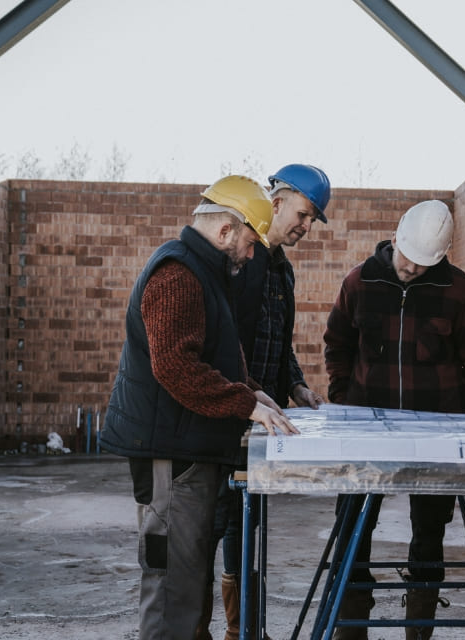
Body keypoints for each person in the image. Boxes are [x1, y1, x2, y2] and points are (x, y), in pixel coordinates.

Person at [100, 175, 298, 640]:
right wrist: (245, 403)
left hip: (187, 449)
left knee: (189, 582)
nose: (253, 256)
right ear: (226, 231)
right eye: (251, 243)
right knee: (173, 588)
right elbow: (176, 366)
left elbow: (212, 353)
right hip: (172, 457)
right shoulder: (178, 274)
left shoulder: (203, 271)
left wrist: (254, 389)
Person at [323, 199, 465, 639]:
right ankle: (351, 626)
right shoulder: (359, 282)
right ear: (396, 238)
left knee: (429, 532)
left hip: (437, 431)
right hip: (367, 429)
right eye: (407, 259)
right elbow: (337, 344)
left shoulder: (458, 289)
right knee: (352, 529)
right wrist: (344, 403)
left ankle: (419, 627)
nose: (411, 269)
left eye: (423, 264)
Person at [200, 164, 332, 640]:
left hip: (261, 417)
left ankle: (245, 630)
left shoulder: (282, 269)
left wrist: (294, 384)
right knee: (217, 520)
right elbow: (225, 337)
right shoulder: (241, 258)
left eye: (313, 219)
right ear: (277, 202)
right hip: (233, 412)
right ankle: (222, 630)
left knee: (244, 522)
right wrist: (244, 397)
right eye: (304, 213)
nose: (306, 225)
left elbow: (279, 340)